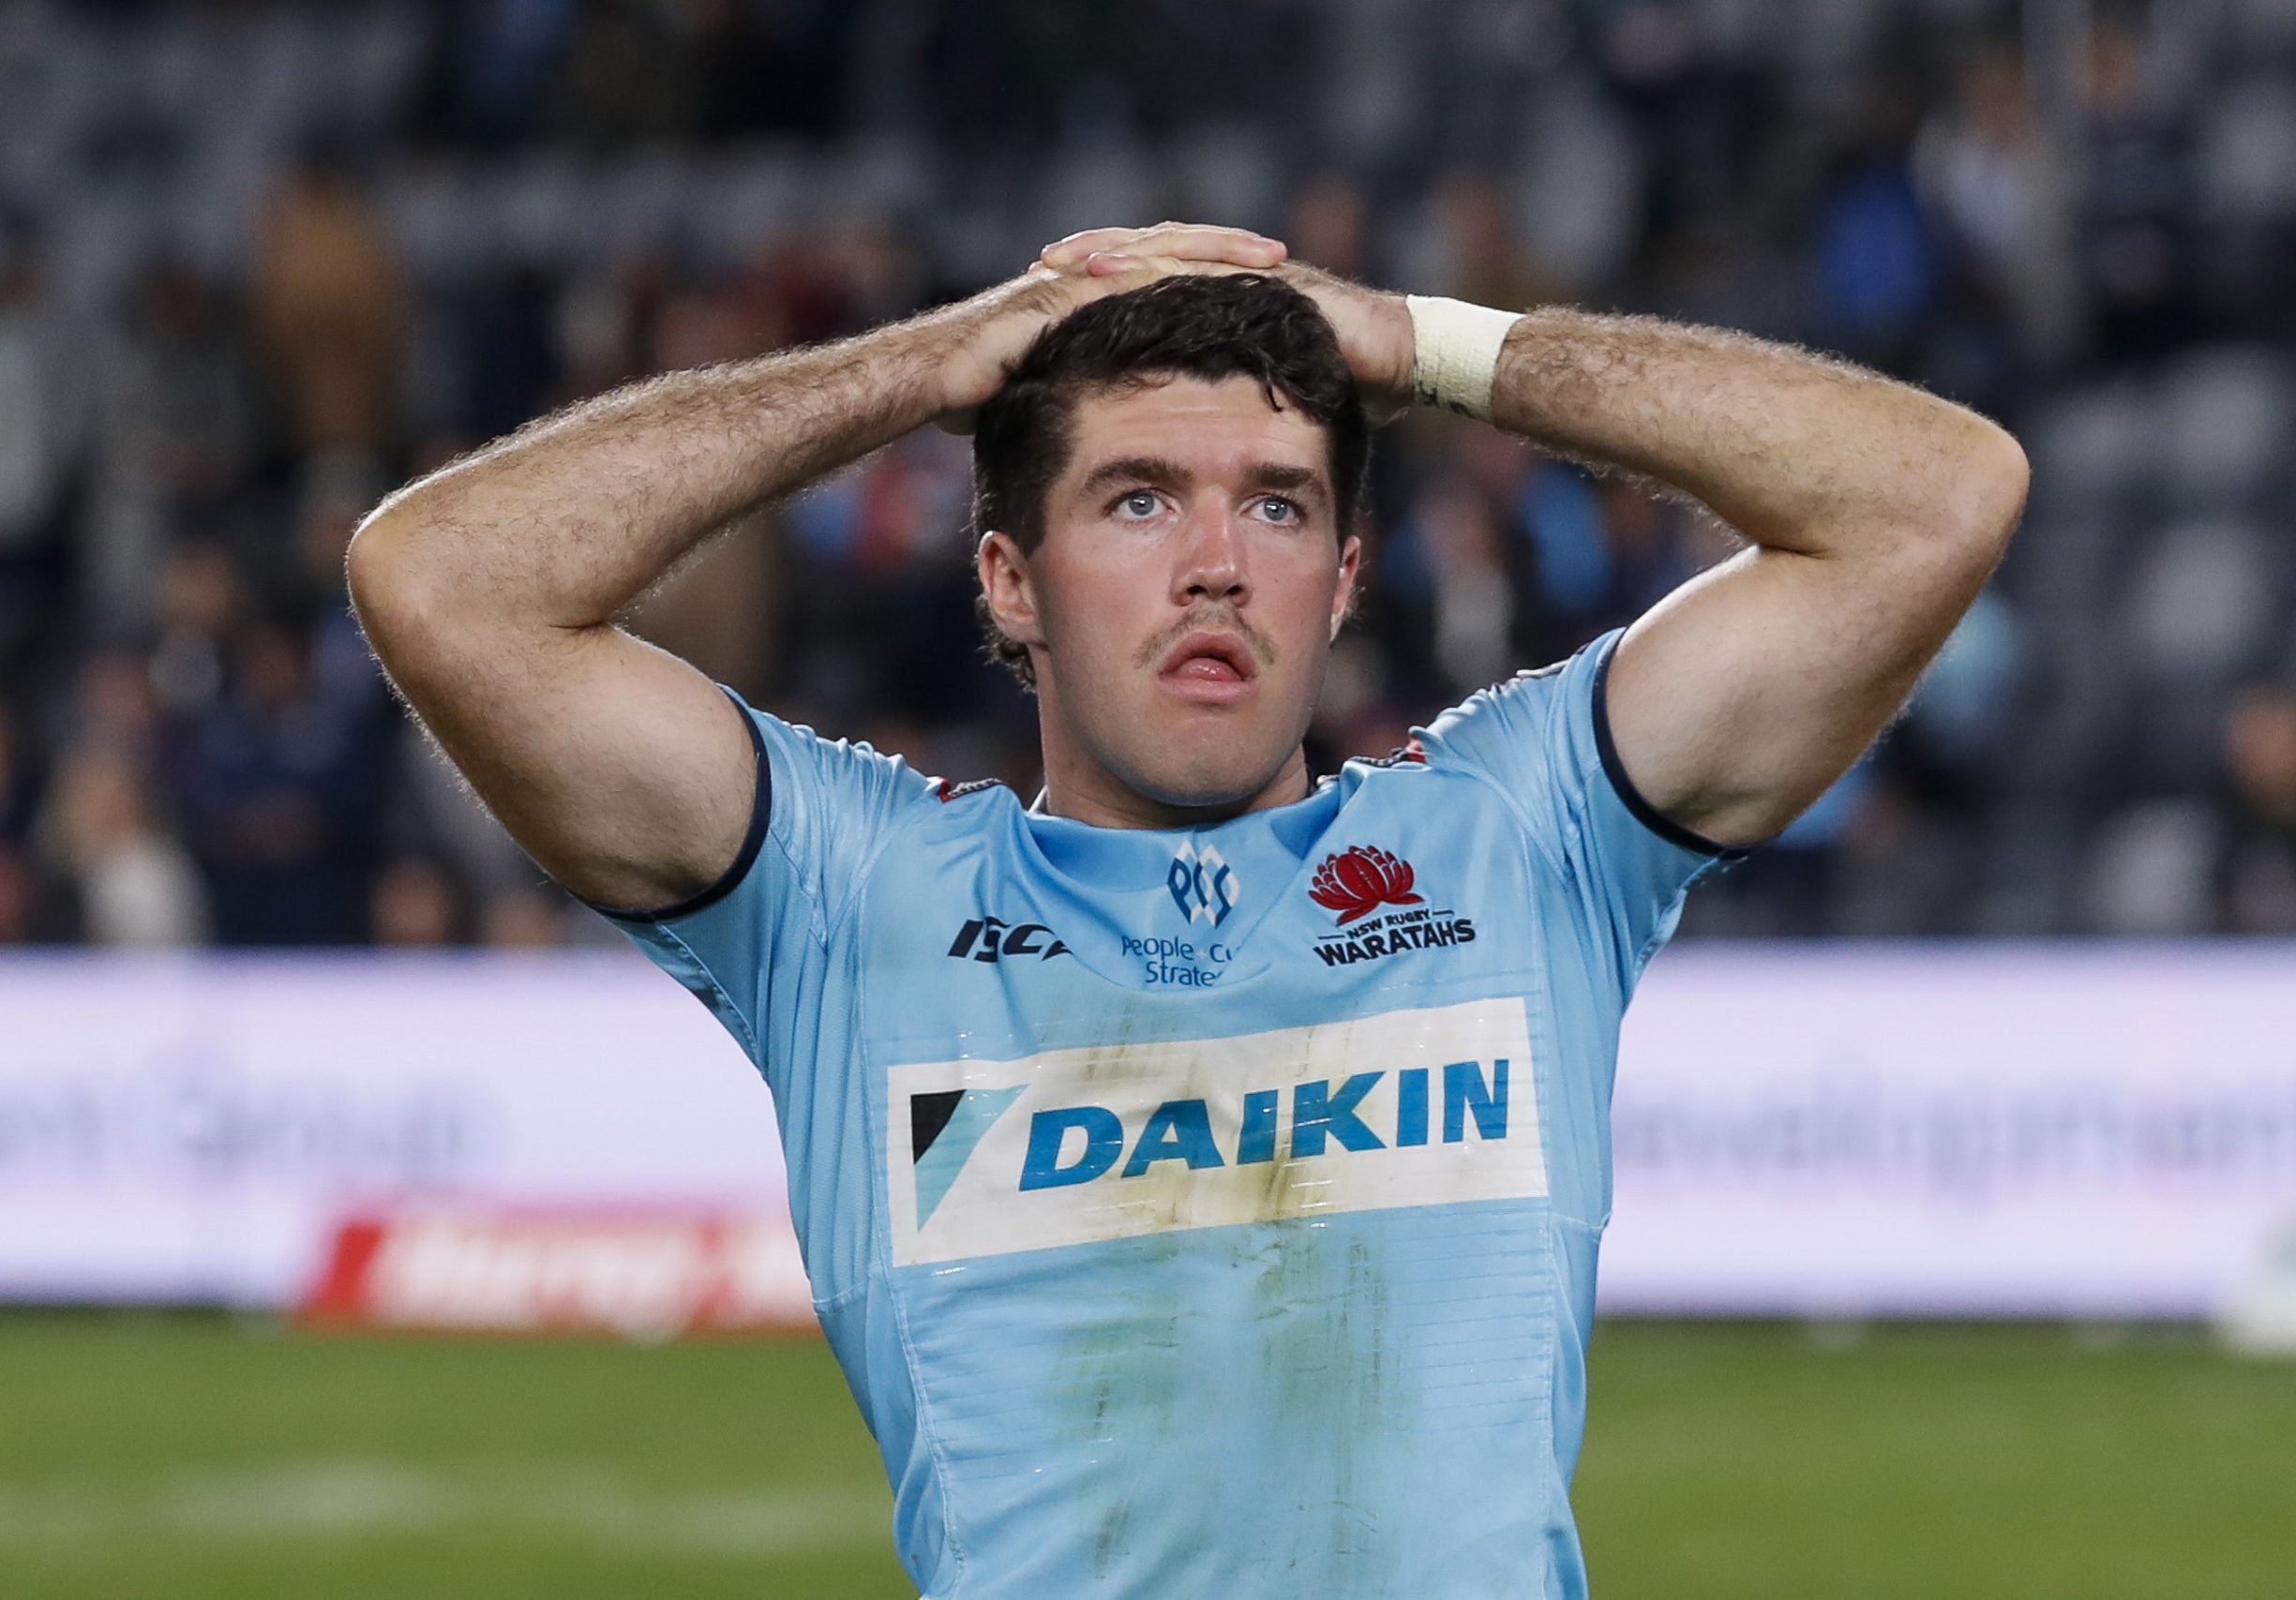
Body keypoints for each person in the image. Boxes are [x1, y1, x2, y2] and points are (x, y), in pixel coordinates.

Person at [347, 221, 2025, 1598]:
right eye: (1139, 497)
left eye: (1279, 503)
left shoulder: (1521, 835)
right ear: (1009, 577)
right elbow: (441, 583)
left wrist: (1427, 344)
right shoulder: (852, 898)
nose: (1217, 560)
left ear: (1347, 580)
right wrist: (913, 366)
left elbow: (1935, 495)